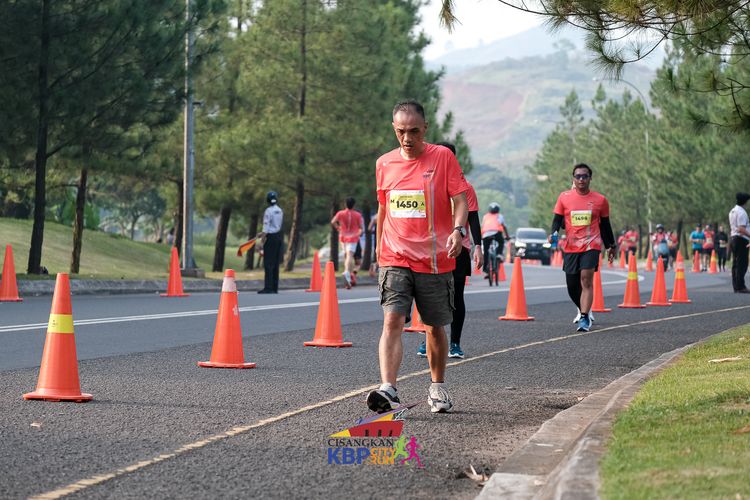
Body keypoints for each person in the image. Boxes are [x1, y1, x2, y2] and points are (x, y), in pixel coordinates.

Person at [367, 100, 469, 414]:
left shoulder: (443, 157)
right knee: (392, 320)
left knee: (434, 327)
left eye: (413, 131)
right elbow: (384, 207)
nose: (407, 138)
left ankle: (437, 387)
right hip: (395, 257)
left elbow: (461, 200)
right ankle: (388, 388)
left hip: (434, 259)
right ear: (394, 129)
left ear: (425, 128)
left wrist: (458, 230)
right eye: (401, 131)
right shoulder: (384, 163)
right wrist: (378, 248)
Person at [416, 142, 482, 360]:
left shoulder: (466, 188)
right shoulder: (426, 184)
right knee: (430, 296)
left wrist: (478, 247)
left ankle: (454, 343)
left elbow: (473, 218)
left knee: (456, 296)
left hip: (458, 248)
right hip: (432, 249)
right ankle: (429, 340)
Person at [549, 163, 616, 332]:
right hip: (571, 246)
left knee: (586, 279)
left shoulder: (600, 200)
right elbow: (557, 221)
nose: (581, 179)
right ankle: (583, 308)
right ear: (573, 179)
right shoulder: (564, 198)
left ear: (590, 178)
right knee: (572, 285)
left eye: (584, 176)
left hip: (591, 245)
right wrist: (553, 234)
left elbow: (605, 225)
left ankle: (584, 317)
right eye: (578, 176)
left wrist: (611, 245)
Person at [331, 197, 364, 289]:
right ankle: (347, 272)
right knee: (350, 255)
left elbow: (333, 221)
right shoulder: (357, 215)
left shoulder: (340, 213)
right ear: (354, 205)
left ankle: (348, 276)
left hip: (343, 237)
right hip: (353, 237)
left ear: (345, 204)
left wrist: (338, 228)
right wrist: (360, 232)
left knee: (346, 256)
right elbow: (361, 227)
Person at [257, 191, 284, 294]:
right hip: (278, 237)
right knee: (276, 263)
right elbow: (275, 226)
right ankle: (274, 287)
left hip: (270, 239)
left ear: (268, 200)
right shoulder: (280, 210)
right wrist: (263, 233)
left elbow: (266, 227)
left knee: (268, 263)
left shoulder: (268, 211)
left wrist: (262, 241)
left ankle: (268, 287)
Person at [729, 192, 750, 293]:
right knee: (742, 263)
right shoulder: (742, 212)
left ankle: (736, 286)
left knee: (735, 263)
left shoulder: (732, 211)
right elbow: (741, 228)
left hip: (734, 238)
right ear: (745, 202)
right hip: (741, 239)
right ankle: (741, 286)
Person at [481, 202, 509, 277]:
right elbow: (504, 227)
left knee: (486, 252)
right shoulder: (499, 216)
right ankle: (499, 254)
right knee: (501, 242)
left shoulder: (485, 216)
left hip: (486, 234)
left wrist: (481, 237)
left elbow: (482, 227)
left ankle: (486, 269)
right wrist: (507, 236)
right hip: (497, 233)